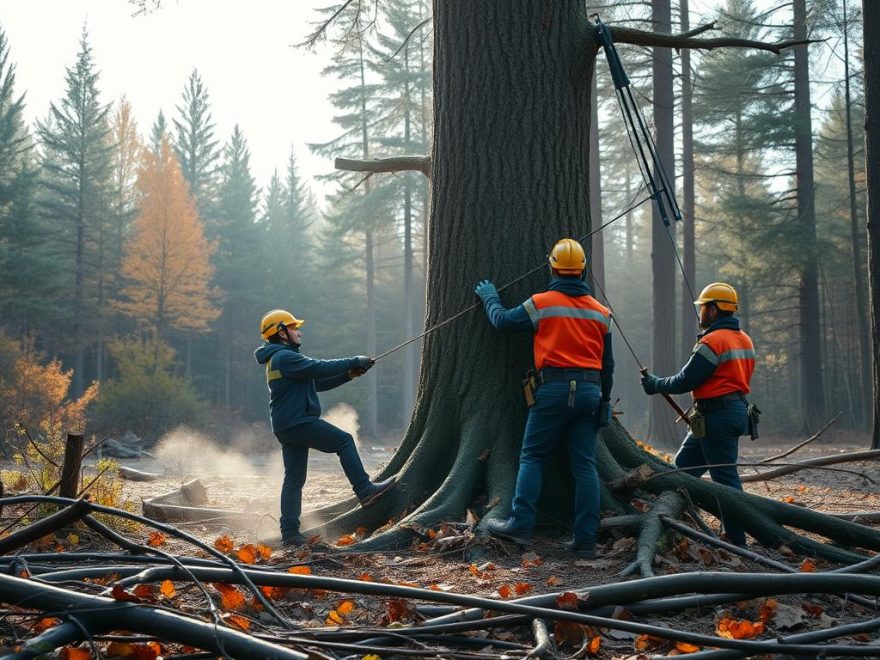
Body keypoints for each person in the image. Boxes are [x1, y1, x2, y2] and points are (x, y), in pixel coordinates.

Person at [474, 238, 615, 559]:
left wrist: (490, 298)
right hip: (590, 394)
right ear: (582, 270)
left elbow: (502, 322)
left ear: (552, 267)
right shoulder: (601, 313)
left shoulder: (542, 303)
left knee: (533, 457)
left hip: (553, 391)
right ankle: (586, 540)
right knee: (585, 466)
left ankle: (521, 525)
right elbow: (608, 366)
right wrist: (605, 402)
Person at [255, 309, 396, 546]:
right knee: (344, 441)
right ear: (281, 332)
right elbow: (319, 367)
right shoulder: (285, 358)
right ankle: (365, 490)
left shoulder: (278, 359)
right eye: (293, 328)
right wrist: (353, 360)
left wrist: (349, 375)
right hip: (298, 421)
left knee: (294, 478)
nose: (299, 332)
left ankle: (289, 533)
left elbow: (316, 383)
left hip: (286, 425)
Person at [640, 282, 755, 547]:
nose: (701, 312)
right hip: (728, 412)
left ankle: (737, 542)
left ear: (713, 310)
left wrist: (656, 384)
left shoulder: (713, 341)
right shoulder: (744, 339)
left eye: (703, 308)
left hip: (717, 417)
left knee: (725, 480)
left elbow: (684, 381)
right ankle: (679, 524)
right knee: (683, 469)